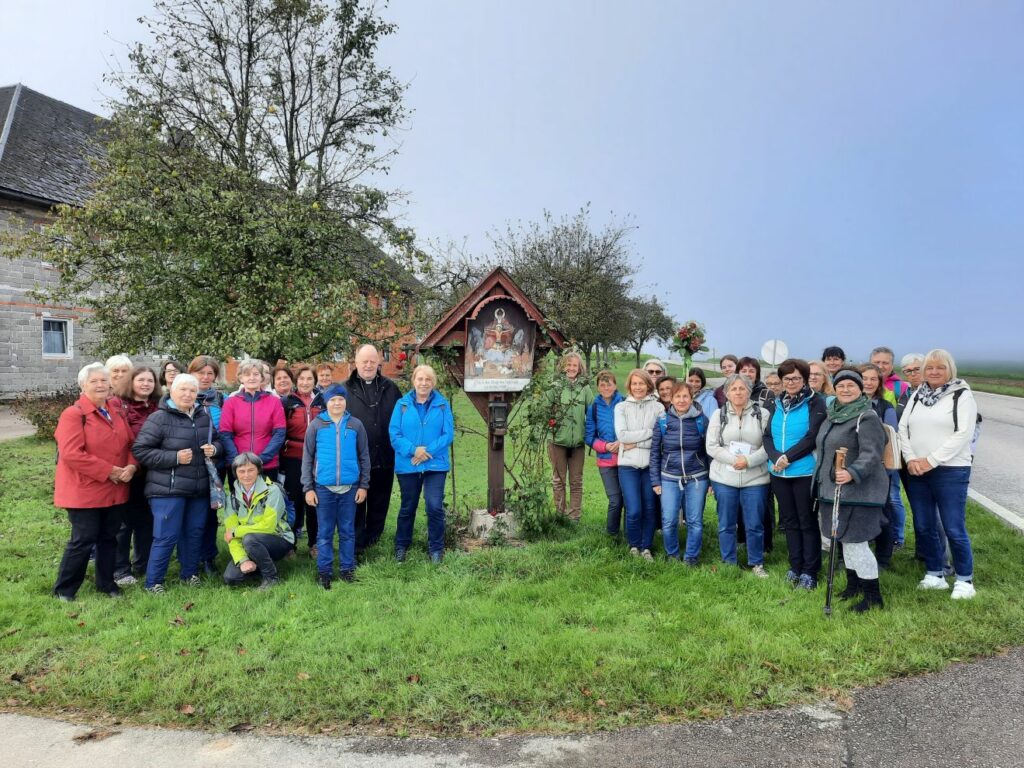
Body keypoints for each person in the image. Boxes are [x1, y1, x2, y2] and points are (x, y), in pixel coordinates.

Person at [52, 363, 139, 601]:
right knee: (84, 538)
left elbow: (131, 444)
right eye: (94, 381)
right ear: (83, 386)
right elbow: (71, 453)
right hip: (84, 490)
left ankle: (106, 584)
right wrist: (109, 470)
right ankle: (65, 589)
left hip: (115, 488)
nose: (101, 385)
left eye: (103, 380)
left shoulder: (116, 409)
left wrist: (132, 465)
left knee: (109, 537)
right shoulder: (74, 414)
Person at [899, 349, 978, 600]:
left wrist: (931, 461)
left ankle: (965, 579)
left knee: (953, 526)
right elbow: (903, 428)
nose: (934, 372)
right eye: (929, 368)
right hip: (917, 470)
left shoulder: (962, 395)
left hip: (950, 470)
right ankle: (935, 573)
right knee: (924, 525)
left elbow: (963, 433)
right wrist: (911, 459)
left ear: (949, 370)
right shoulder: (916, 396)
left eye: (940, 367)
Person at [132, 373, 221, 593]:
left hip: (198, 488)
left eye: (192, 391)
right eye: (183, 390)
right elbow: (141, 450)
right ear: (172, 391)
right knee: (166, 535)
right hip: (168, 489)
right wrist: (174, 458)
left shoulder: (203, 416)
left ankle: (189, 574)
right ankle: (154, 582)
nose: (188, 394)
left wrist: (215, 449)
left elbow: (217, 440)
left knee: (194, 532)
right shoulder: (159, 418)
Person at [814, 368, 890, 612]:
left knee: (856, 543)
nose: (845, 390)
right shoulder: (833, 415)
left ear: (860, 389)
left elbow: (872, 453)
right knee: (842, 539)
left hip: (860, 492)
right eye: (841, 385)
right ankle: (853, 585)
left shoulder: (866, 417)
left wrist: (852, 472)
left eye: (851, 386)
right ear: (834, 388)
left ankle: (873, 597)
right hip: (834, 490)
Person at [764, 359, 828, 589]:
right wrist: (774, 457)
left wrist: (787, 458)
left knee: (806, 521)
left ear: (804, 379)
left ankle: (810, 571)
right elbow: (767, 436)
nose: (791, 382)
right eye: (786, 378)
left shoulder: (816, 402)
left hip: (803, 471)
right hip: (778, 473)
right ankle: (795, 566)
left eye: (796, 378)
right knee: (789, 521)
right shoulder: (776, 402)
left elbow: (812, 436)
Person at [302, 384, 370, 587]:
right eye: (332, 400)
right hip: (323, 489)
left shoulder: (355, 425)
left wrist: (363, 485)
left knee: (348, 531)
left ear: (345, 401)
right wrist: (308, 488)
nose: (337, 403)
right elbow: (307, 457)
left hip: (350, 488)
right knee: (325, 532)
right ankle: (325, 571)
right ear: (326, 402)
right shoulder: (316, 425)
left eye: (340, 399)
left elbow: (364, 456)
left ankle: (347, 569)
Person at [705, 374, 771, 578]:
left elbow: (769, 446)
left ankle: (756, 563)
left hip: (755, 478)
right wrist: (734, 460)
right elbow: (712, 446)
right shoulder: (719, 414)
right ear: (726, 393)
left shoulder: (763, 413)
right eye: (733, 389)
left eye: (742, 388)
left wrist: (749, 461)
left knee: (754, 523)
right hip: (724, 477)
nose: (738, 392)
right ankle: (729, 561)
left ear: (749, 391)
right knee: (726, 523)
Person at [389, 365, 455, 564]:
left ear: (433, 382)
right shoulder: (402, 405)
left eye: (428, 379)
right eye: (420, 379)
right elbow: (394, 434)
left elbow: (448, 434)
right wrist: (413, 450)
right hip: (408, 464)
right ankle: (402, 546)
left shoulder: (442, 405)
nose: (424, 383)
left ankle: (436, 548)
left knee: (434, 506)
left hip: (435, 465)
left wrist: (426, 451)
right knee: (408, 506)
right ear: (413, 381)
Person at [344, 344, 402, 553]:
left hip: (384, 455)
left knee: (379, 500)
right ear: (356, 362)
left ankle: (373, 540)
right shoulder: (344, 389)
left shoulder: (390, 388)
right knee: (356, 501)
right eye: (364, 361)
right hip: (355, 458)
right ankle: (357, 542)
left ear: (379, 363)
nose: (368, 365)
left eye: (372, 361)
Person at [110, 366, 161, 586]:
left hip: (152, 471)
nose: (145, 384)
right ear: (131, 382)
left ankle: (144, 563)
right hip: (127, 471)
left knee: (146, 521)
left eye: (150, 380)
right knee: (123, 523)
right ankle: (120, 569)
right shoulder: (118, 405)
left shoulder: (159, 406)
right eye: (141, 380)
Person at [651, 381, 710, 564]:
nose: (682, 400)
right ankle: (672, 555)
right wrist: (655, 481)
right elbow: (654, 452)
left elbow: (710, 451)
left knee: (695, 521)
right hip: (669, 477)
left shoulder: (701, 420)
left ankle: (691, 557)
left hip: (697, 478)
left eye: (685, 396)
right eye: (678, 396)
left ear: (691, 397)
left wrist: (712, 481)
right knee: (668, 521)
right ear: (671, 398)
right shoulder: (662, 420)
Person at [221, 453, 294, 589]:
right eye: (241, 471)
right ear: (235, 473)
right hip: (249, 541)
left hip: (279, 538)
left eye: (251, 470)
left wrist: (237, 532)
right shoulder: (231, 498)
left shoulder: (272, 491)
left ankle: (271, 578)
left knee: (250, 539)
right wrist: (243, 560)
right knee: (231, 578)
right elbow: (230, 535)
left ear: (258, 470)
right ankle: (258, 564)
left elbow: (268, 527)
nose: (246, 475)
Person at [614, 369, 662, 560]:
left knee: (650, 508)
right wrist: (648, 432)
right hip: (627, 465)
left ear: (648, 385)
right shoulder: (621, 408)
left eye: (641, 383)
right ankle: (634, 545)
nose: (638, 387)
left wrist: (637, 442)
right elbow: (622, 436)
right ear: (629, 386)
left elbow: (659, 438)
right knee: (633, 509)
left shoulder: (658, 408)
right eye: (634, 384)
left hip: (650, 465)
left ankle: (646, 547)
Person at [188, 355, 227, 574]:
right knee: (194, 512)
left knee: (212, 511)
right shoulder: (184, 395)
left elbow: (227, 430)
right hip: (191, 464)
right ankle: (190, 556)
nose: (205, 377)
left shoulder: (222, 399)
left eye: (209, 373)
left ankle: (208, 557)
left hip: (217, 463)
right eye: (200, 372)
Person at [545, 351, 594, 522]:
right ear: (563, 366)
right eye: (569, 364)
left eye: (575, 365)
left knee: (576, 481)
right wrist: (551, 423)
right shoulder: (555, 386)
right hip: (557, 441)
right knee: (558, 480)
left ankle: (574, 516)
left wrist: (590, 434)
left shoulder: (585, 388)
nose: (571, 368)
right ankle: (560, 514)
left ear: (580, 367)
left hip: (578, 444)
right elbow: (545, 409)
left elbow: (592, 412)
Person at [861, 363, 902, 566]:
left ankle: (884, 557)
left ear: (879, 383)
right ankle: (855, 555)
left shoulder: (886, 407)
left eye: (872, 379)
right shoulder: (847, 403)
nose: (868, 383)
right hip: (854, 468)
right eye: (864, 378)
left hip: (879, 467)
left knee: (882, 513)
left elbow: (890, 435)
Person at [281, 365, 323, 555]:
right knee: (294, 500)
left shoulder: (323, 400)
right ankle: (291, 543)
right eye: (301, 379)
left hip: (317, 458)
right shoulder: (287, 402)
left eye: (309, 379)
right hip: (293, 457)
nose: (305, 383)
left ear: (315, 381)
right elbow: (280, 430)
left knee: (314, 500)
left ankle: (315, 542)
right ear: (296, 382)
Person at [219, 360, 287, 477]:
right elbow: (225, 434)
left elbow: (279, 433)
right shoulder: (231, 402)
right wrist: (238, 460)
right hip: (238, 466)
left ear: (262, 377)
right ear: (241, 378)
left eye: (256, 374)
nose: (252, 378)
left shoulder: (274, 401)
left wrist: (261, 459)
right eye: (247, 374)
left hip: (267, 465)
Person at [585, 369, 625, 536]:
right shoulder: (594, 407)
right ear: (598, 387)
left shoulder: (624, 402)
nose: (606, 388)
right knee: (615, 500)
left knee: (629, 501)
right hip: (606, 460)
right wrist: (605, 446)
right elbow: (589, 436)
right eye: (602, 385)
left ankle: (631, 536)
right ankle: (612, 534)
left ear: (615, 385)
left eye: (609, 384)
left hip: (626, 459)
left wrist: (621, 442)